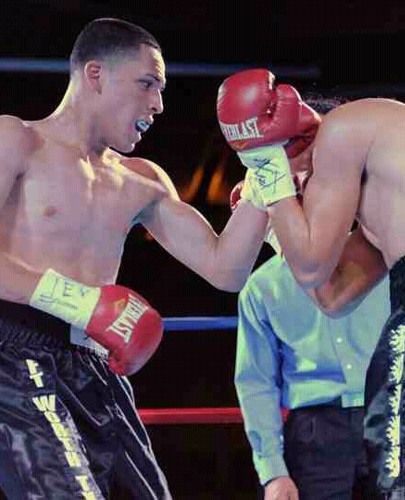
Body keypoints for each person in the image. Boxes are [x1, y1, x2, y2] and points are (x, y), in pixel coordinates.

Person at [0, 19, 320, 498]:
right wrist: (78, 301)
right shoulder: (16, 139)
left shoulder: (142, 180)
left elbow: (225, 268)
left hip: (96, 367)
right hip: (15, 355)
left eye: (162, 90)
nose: (158, 104)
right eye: (147, 83)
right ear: (95, 74)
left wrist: (265, 165)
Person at [217, 68, 405, 499]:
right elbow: (331, 295)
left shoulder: (339, 129)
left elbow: (311, 266)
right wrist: (278, 231)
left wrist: (269, 172)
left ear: (298, 141)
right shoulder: (399, 197)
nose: (305, 200)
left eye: (302, 185)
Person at [233, 174, 390, 499]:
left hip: (390, 415)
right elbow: (256, 383)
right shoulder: (260, 288)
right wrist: (273, 472)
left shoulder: (378, 258)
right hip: (315, 434)